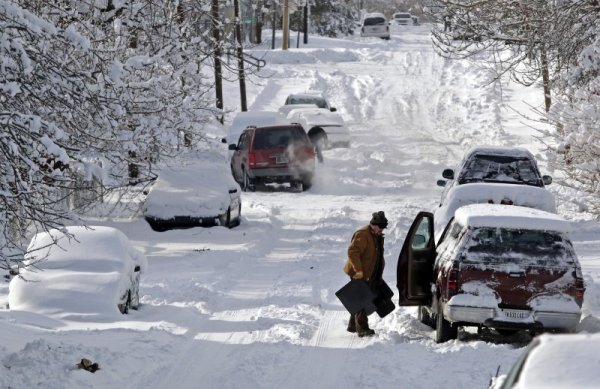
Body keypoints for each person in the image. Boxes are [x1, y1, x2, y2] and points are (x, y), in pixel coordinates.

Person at [343, 211, 388, 337]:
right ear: (374, 225)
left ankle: (353, 325)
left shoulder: (377, 236)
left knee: (363, 297)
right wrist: (358, 270)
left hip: (369, 272)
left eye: (383, 228)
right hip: (359, 272)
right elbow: (353, 252)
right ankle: (362, 328)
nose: (382, 230)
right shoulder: (363, 234)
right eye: (380, 228)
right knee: (362, 299)